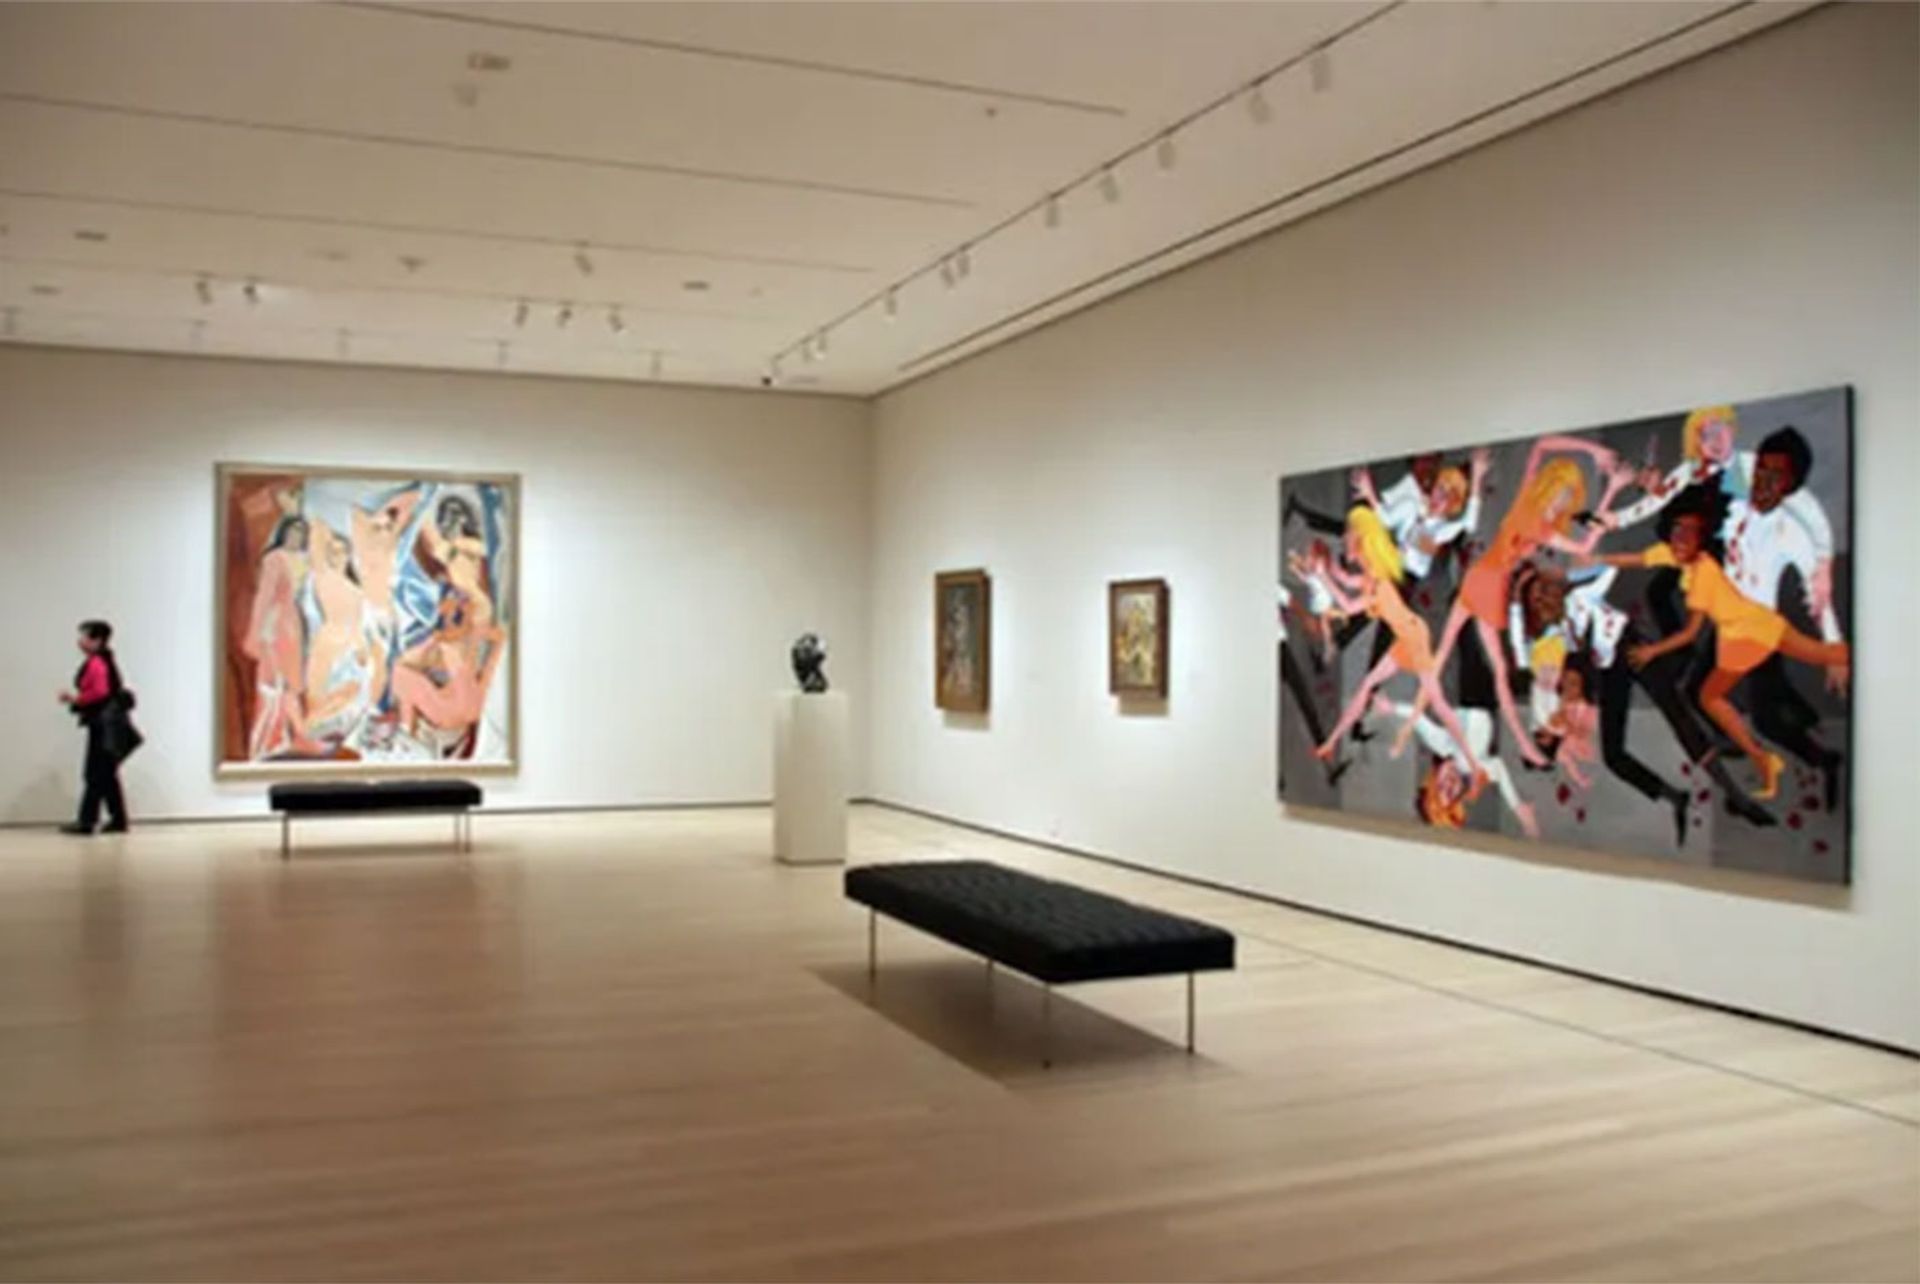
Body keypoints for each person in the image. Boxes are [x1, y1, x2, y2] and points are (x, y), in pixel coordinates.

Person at [1590, 501, 1850, 802]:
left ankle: (1781, 752)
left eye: (1690, 532)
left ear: (1702, 540)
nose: (1681, 537)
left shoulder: (1704, 571)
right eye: (1677, 529)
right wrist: (1594, 558)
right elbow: (1636, 559)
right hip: (1737, 636)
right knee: (1712, 696)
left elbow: (1689, 633)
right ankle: (1773, 756)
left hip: (1753, 632)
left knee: (1730, 701)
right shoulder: (1674, 554)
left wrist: (1653, 652)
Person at [1430, 435, 1635, 766]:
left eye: (1567, 496)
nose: (1560, 501)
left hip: (1488, 582)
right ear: (1548, 485)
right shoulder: (1539, 521)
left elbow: (1584, 544)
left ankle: (1441, 713)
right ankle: (1519, 742)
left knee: (1485, 664)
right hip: (1489, 583)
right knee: (1491, 667)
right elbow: (1541, 447)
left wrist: (1610, 485)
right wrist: (1596, 456)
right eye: (1559, 492)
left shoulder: (1539, 518)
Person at [1304, 505, 1486, 779]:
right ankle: (1331, 742)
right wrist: (1326, 567)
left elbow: (1348, 605)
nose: (1345, 540)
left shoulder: (1378, 584)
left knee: (1437, 702)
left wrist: (1324, 575)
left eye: (1350, 535)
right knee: (1367, 684)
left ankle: (1473, 763)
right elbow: (1346, 580)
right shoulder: (1372, 574)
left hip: (1415, 638)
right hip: (1405, 637)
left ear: (1362, 541)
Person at [56, 620, 138, 835]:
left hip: (103, 725)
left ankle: (87, 821)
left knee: (95, 773)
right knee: (106, 773)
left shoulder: (97, 662)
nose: (80, 641)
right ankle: (118, 819)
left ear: (97, 641)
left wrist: (75, 699)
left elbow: (100, 691)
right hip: (108, 723)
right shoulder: (104, 660)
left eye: (85, 636)